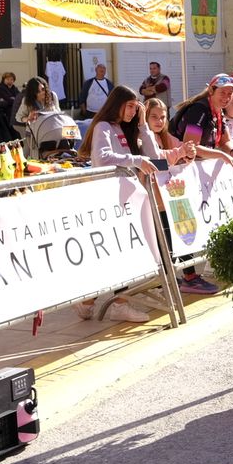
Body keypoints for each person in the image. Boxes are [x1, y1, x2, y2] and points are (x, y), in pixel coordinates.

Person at [73, 86, 161, 323]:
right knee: (116, 253)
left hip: (128, 200)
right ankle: (107, 303)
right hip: (109, 200)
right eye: (130, 106)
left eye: (136, 107)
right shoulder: (103, 126)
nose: (134, 111)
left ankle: (93, 302)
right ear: (118, 104)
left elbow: (154, 157)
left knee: (120, 253)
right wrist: (136, 159)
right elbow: (102, 157)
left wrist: (143, 126)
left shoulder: (128, 128)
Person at [173, 74, 233, 167]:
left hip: (198, 164)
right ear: (211, 90)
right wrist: (221, 155)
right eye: (223, 92)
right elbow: (191, 147)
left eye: (230, 94)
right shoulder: (198, 110)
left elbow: (225, 142)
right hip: (180, 165)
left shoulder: (219, 112)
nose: (227, 97)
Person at [19, 77, 82, 156]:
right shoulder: (27, 101)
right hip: (37, 132)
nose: (41, 93)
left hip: (55, 129)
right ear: (33, 93)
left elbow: (58, 113)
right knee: (34, 152)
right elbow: (19, 117)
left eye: (43, 89)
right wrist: (28, 118)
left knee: (67, 144)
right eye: (37, 92)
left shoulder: (52, 96)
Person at [140, 98, 195, 167]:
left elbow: (181, 146)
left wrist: (189, 153)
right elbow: (156, 161)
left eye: (162, 117)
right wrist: (180, 152)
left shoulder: (164, 135)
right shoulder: (140, 137)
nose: (159, 121)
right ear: (145, 117)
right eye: (154, 117)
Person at [0, 72, 21, 140]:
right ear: (4, 80)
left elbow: (19, 98)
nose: (10, 81)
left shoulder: (14, 88)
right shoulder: (0, 88)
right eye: (8, 79)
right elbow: (5, 101)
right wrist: (12, 99)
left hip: (15, 113)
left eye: (12, 79)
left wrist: (11, 99)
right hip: (6, 114)